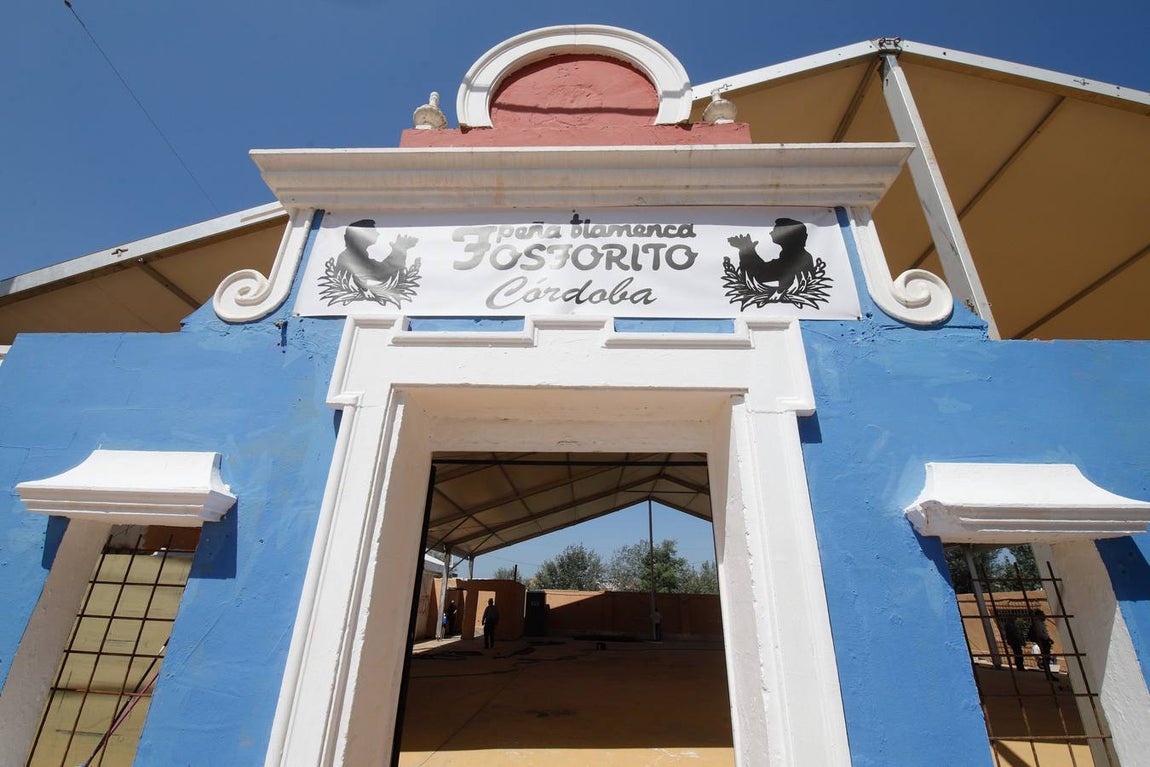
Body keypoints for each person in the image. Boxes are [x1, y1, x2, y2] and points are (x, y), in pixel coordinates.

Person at [1028, 609, 1055, 680]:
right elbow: (1041, 633)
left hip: (1043, 641)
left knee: (1047, 659)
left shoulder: (1039, 622)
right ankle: (1049, 675)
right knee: (1046, 659)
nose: (1044, 616)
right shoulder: (1038, 623)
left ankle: (1049, 675)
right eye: (1042, 614)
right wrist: (1048, 639)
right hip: (1043, 641)